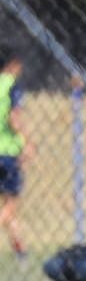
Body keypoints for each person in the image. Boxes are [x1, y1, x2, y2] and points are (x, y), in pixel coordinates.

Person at [0, 49, 30, 260]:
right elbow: (14, 118)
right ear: (14, 63)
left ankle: (21, 251)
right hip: (8, 153)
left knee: (9, 208)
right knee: (10, 205)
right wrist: (26, 142)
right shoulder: (13, 85)